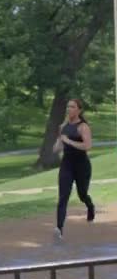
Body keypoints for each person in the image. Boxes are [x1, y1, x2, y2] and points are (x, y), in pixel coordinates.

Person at [52, 99, 95, 240]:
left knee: (82, 194)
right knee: (63, 196)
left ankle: (90, 206)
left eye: (72, 107)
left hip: (82, 165)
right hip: (67, 164)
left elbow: (87, 146)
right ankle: (59, 228)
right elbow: (56, 148)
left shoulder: (83, 127)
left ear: (79, 110)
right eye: (68, 106)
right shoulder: (63, 126)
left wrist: (69, 141)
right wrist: (59, 142)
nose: (69, 109)